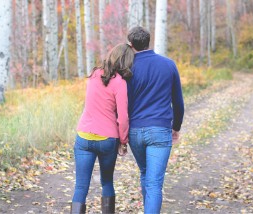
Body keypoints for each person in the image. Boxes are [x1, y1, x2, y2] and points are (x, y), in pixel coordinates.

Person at [126, 26, 184, 213]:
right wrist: (176, 127)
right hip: (160, 129)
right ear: (148, 41)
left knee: (145, 174)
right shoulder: (168, 65)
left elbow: (122, 102)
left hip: (135, 131)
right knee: (154, 183)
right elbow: (178, 102)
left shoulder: (127, 68)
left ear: (131, 44)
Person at [71, 43, 134, 214]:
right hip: (107, 139)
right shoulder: (120, 83)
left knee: (81, 185)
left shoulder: (94, 74)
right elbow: (123, 117)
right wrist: (123, 141)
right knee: (107, 182)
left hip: (84, 136)